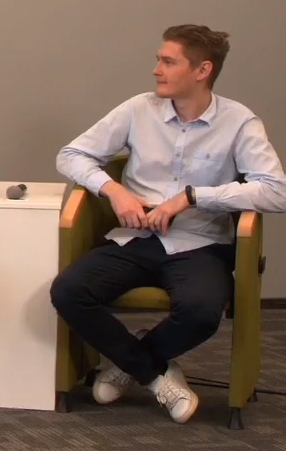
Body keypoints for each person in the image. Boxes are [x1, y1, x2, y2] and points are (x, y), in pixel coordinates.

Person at [51, 25, 286, 424]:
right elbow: (71, 154)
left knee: (201, 312)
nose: (156, 70)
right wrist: (114, 191)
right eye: (159, 60)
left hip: (200, 243)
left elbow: (276, 191)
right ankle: (154, 373)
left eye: (168, 62)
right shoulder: (138, 109)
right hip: (136, 238)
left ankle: (133, 362)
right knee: (69, 291)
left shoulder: (239, 122)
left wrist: (193, 197)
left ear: (202, 70)